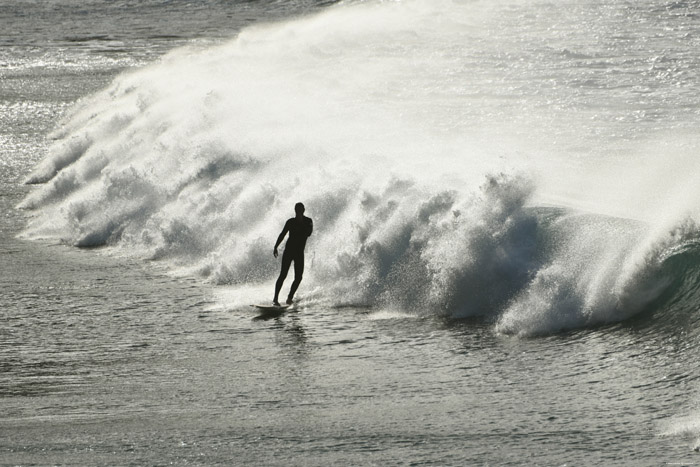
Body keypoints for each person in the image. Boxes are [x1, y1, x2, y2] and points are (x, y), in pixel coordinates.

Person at [273, 202, 313, 306]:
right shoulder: (290, 222)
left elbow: (309, 233)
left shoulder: (308, 221)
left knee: (298, 277)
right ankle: (275, 299)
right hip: (289, 251)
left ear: (303, 210)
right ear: (294, 210)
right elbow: (282, 234)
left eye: (300, 210)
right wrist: (276, 246)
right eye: (297, 210)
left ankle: (289, 298)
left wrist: (301, 222)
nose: (298, 211)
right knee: (283, 275)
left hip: (299, 253)